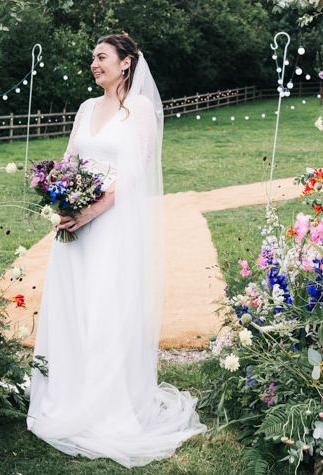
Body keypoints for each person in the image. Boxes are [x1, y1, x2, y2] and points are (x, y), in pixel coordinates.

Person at [26, 33, 207, 467]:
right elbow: (69, 159)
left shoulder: (140, 110)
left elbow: (136, 175)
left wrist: (92, 211)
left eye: (102, 57)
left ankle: (106, 403)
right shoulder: (87, 108)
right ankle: (67, 390)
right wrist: (58, 196)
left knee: (106, 306)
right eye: (92, 57)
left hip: (112, 227)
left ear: (126, 64)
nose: (94, 63)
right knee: (74, 306)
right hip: (75, 226)